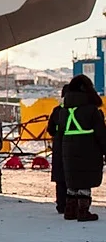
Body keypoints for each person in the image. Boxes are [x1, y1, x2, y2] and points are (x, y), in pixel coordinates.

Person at [59, 75, 106, 221]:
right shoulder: (92, 110)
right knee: (85, 179)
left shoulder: (64, 111)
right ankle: (83, 212)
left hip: (68, 149)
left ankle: (70, 211)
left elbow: (59, 133)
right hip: (88, 149)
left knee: (73, 179)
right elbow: (101, 134)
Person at [46, 84, 69, 214]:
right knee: (73, 176)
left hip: (59, 147)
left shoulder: (57, 110)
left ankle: (61, 204)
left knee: (60, 177)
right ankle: (74, 204)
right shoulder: (79, 111)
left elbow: (50, 129)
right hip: (75, 148)